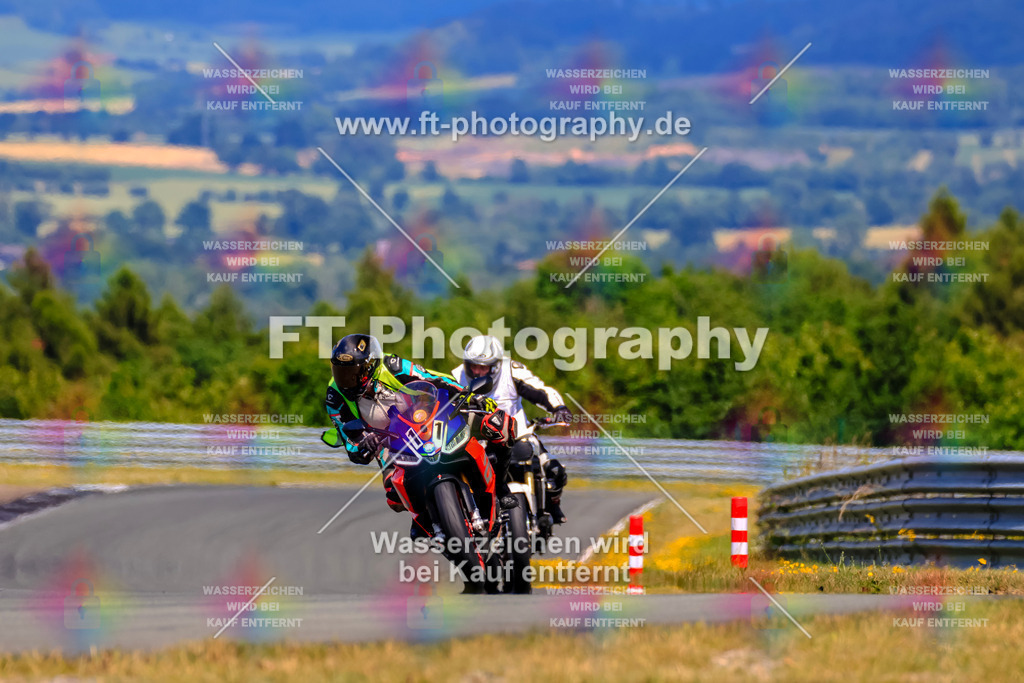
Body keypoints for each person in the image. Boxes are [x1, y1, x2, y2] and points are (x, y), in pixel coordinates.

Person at [320, 333, 517, 512]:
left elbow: (435, 379)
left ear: (370, 366)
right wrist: (364, 444)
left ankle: (501, 488)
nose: (347, 381)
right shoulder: (334, 396)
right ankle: (427, 521)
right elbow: (350, 443)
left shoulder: (392, 365)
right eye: (340, 372)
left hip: (426, 418)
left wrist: (472, 397)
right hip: (387, 441)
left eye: (354, 373)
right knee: (394, 496)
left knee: (500, 425)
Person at [451, 335, 571, 527]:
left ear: (496, 366)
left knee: (554, 471)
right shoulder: (456, 377)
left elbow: (540, 390)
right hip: (479, 441)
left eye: (483, 367)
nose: (477, 371)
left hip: (518, 435)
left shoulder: (512, 371)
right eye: (473, 366)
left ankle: (551, 507)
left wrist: (559, 408)